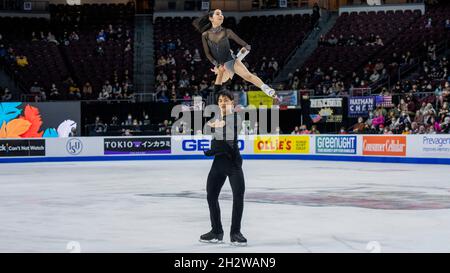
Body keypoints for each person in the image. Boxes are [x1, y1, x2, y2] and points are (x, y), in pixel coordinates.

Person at [193, 9, 278, 100]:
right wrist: (217, 65)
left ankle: (267, 89)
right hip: (220, 64)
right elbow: (207, 53)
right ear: (211, 18)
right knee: (219, 83)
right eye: (218, 14)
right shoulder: (205, 35)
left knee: (248, 76)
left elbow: (241, 42)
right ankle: (218, 103)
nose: (221, 15)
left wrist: (246, 46)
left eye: (222, 14)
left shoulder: (227, 31)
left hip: (230, 60)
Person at [200, 90, 247, 246]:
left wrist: (216, 126)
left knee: (238, 197)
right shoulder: (217, 117)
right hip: (218, 164)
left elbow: (224, 138)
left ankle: (235, 233)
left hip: (233, 163)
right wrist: (219, 74)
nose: (222, 102)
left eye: (226, 100)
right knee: (211, 196)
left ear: (232, 103)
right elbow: (215, 88)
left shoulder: (236, 118)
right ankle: (216, 231)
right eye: (220, 100)